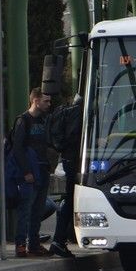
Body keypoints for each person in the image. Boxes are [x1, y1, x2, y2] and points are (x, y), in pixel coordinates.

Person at [13, 87, 53, 258]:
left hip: (43, 169)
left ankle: (34, 244)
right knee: (26, 209)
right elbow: (18, 148)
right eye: (46, 101)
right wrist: (26, 171)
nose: (49, 104)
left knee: (37, 210)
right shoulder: (23, 120)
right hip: (30, 172)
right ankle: (21, 244)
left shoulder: (45, 120)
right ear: (35, 101)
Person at [49, 95, 83, 258]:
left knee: (69, 199)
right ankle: (59, 240)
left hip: (67, 158)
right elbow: (74, 136)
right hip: (74, 160)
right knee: (70, 200)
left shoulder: (68, 110)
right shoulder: (78, 113)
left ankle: (59, 240)